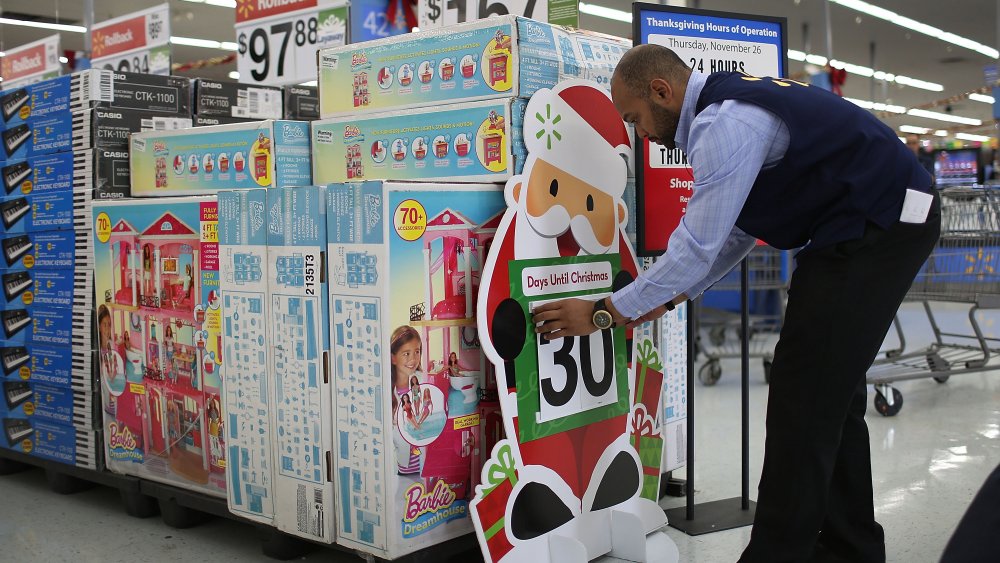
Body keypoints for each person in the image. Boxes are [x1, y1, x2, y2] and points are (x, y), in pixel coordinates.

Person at [532, 44, 940, 563]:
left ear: (662, 90)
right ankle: (850, 547)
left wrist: (602, 313)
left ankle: (777, 553)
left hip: (880, 222)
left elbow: (696, 246)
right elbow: (735, 234)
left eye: (635, 117)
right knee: (831, 397)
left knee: (803, 396)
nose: (639, 133)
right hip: (867, 223)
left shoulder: (722, 126)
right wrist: (676, 293)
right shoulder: (730, 111)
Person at [390, 325, 423, 474]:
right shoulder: (388, 390)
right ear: (393, 358)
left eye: (417, 351)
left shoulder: (422, 381)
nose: (413, 359)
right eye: (406, 353)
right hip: (402, 471)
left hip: (425, 469)